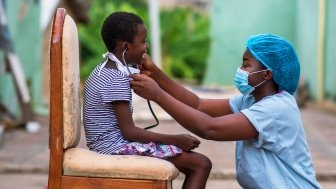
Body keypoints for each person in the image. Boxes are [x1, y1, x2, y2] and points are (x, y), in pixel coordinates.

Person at [131, 34, 322, 188]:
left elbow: (210, 128)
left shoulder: (276, 108)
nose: (240, 69)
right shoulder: (252, 99)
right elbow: (198, 104)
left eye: (246, 64)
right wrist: (156, 74)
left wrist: (158, 95)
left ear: (267, 74)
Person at [82, 11, 211, 189]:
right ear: (126, 47)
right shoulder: (116, 79)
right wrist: (176, 139)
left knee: (197, 163)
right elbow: (130, 132)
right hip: (113, 147)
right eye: (143, 41)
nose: (147, 46)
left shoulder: (104, 70)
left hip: (108, 143)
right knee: (201, 164)